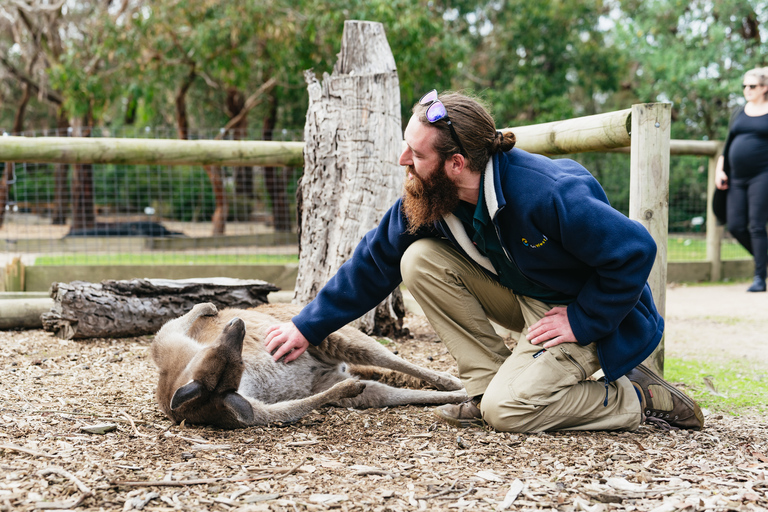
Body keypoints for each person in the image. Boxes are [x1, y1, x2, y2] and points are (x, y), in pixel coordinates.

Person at [265, 89, 704, 432]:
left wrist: (585, 319)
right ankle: (487, 386)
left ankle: (637, 399)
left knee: (509, 413)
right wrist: (306, 326)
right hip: (526, 296)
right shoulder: (433, 196)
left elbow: (635, 250)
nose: (404, 161)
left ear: (456, 163)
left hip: (580, 311)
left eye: (416, 155)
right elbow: (375, 260)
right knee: (417, 259)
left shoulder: (547, 193)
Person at [715, 66, 768, 293]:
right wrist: (720, 169)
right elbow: (727, 144)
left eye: (752, 86)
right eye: (744, 86)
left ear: (765, 87)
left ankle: (759, 278)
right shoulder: (738, 111)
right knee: (735, 225)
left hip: (762, 175)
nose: (747, 89)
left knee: (756, 225)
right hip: (736, 177)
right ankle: (764, 260)